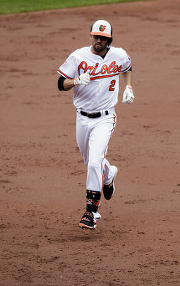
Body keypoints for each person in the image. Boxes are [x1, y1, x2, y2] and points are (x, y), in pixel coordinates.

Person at [56, 19, 135, 229]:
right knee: (92, 161)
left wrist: (128, 88)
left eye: (104, 38)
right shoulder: (78, 57)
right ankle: (109, 175)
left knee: (93, 163)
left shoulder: (118, 55)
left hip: (106, 118)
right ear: (90, 36)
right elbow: (60, 84)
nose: (99, 41)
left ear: (109, 40)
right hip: (82, 118)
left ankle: (91, 213)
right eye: (96, 36)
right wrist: (76, 81)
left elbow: (127, 67)